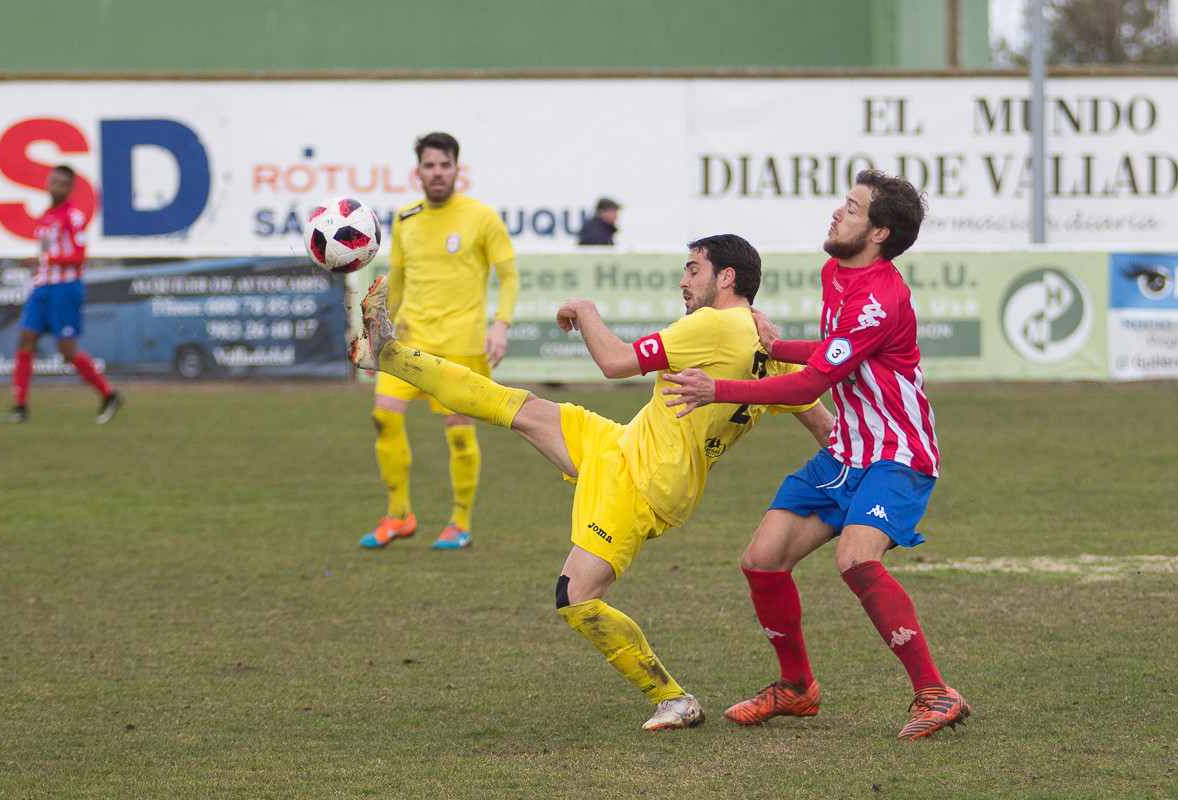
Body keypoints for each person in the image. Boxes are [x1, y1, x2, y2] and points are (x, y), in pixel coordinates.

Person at [349, 233, 835, 730]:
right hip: (625, 445)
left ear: (726, 278)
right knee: (518, 407)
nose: (684, 281)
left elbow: (614, 362)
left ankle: (674, 699)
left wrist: (583, 308)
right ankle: (387, 353)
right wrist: (869, 475)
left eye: (693, 270)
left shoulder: (713, 325)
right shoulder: (768, 346)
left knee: (575, 597)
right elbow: (824, 426)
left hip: (642, 481)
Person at [662, 171, 970, 740]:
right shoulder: (836, 272)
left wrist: (718, 388)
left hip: (897, 452)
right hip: (847, 448)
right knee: (762, 559)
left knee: (855, 560)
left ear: (878, 232)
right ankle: (797, 688)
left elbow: (809, 385)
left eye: (851, 209)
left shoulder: (881, 298)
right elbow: (834, 350)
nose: (837, 213)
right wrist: (775, 346)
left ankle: (934, 692)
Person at [359, 132, 519, 551]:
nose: (436, 173)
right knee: (384, 417)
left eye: (444, 165)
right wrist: (373, 323)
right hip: (410, 338)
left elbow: (509, 276)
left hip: (462, 342)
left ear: (456, 169)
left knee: (459, 432)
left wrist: (500, 325)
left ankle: (460, 522)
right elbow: (397, 277)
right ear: (418, 172)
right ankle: (399, 515)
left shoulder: (481, 216)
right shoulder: (405, 217)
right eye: (429, 166)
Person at [0, 165, 121, 425]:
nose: (56, 186)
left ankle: (109, 394)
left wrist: (42, 259)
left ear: (70, 188)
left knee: (67, 351)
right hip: (42, 287)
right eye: (53, 181)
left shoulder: (73, 216)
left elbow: (78, 257)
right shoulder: (46, 215)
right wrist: (40, 264)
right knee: (25, 340)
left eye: (62, 183)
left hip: (65, 288)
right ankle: (20, 407)